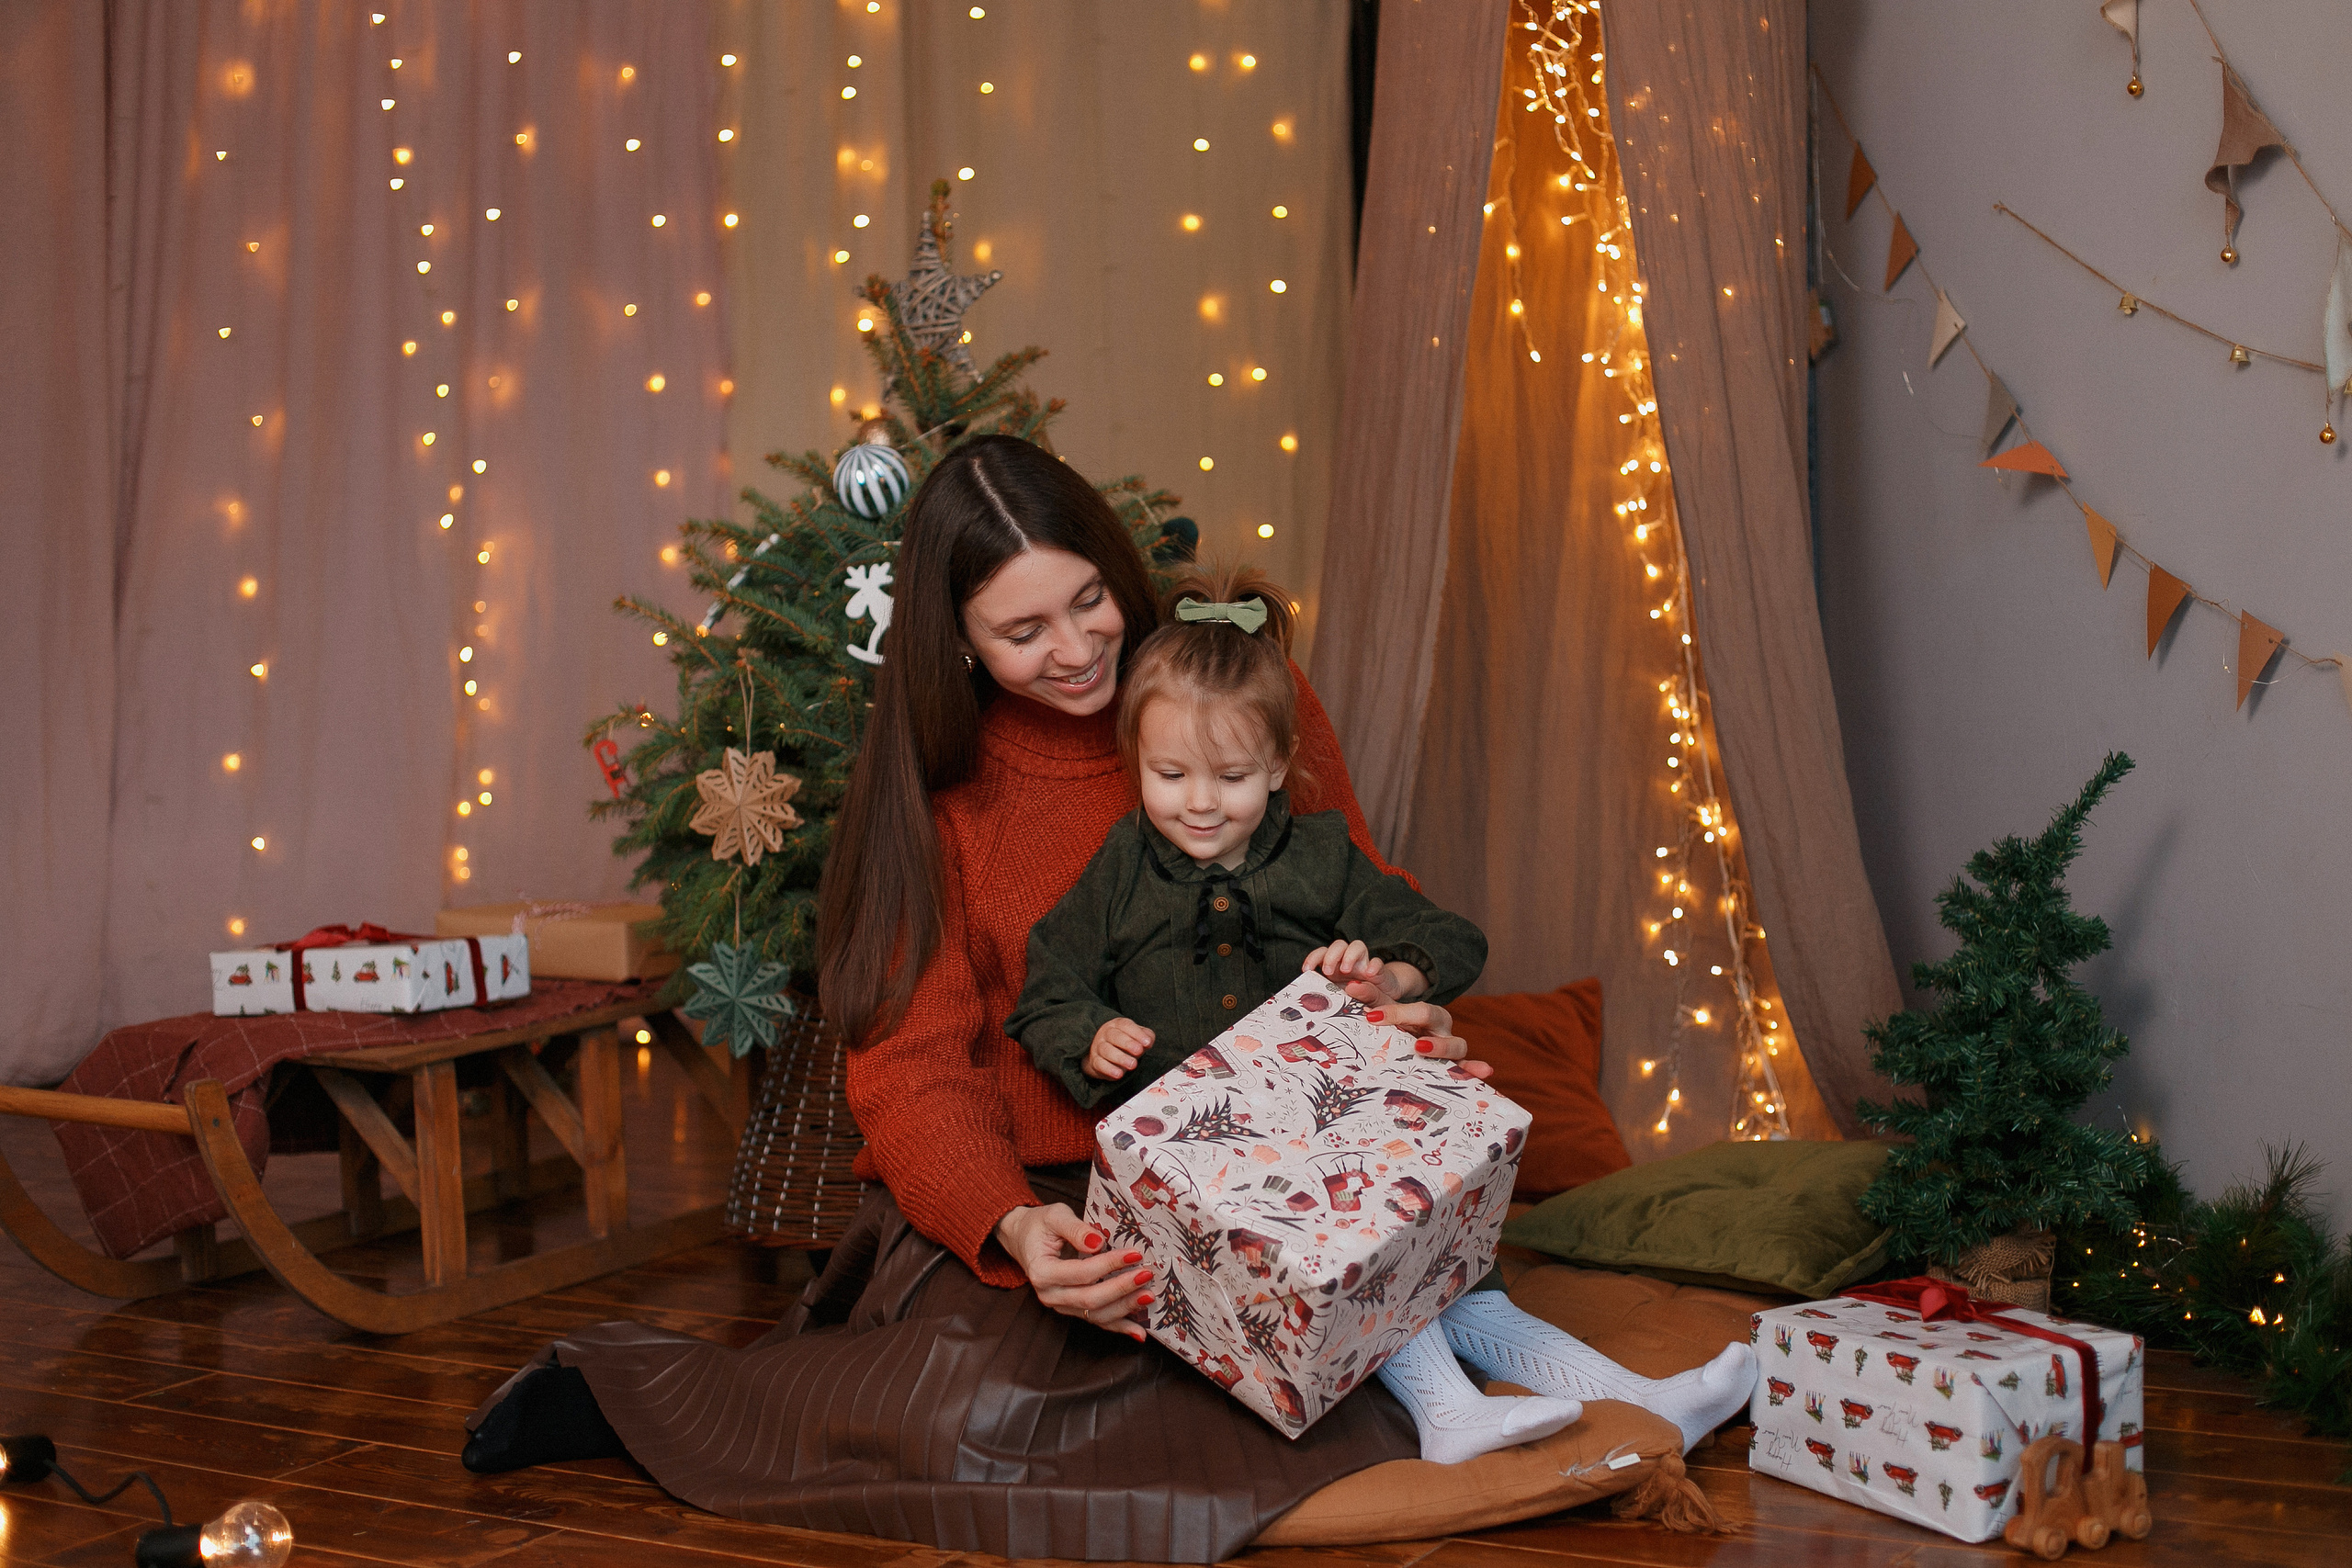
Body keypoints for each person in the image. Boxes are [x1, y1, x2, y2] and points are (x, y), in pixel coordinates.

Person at [462, 435, 1753, 1562]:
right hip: (1051, 1189)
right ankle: (630, 1395)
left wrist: (1394, 1007)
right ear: (953, 639)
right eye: (1023, 631)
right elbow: (912, 1066)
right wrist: (1013, 1226)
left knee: (1301, 1356)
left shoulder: (1236, 686)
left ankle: (1516, 1389)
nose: (1078, 649)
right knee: (986, 1407)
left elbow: (1351, 896)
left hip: (1273, 1163)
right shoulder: (940, 796)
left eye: (1088, 601)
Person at [1005, 563, 1587, 1464]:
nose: (1201, 802)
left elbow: (1450, 936)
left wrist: (1389, 978)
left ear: (1277, 765)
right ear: (1135, 765)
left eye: (1232, 776)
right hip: (1194, 1158)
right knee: (1356, 1246)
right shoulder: (1123, 867)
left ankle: (1634, 1396)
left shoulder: (1320, 854)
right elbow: (1045, 983)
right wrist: (1088, 1032)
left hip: (1324, 1139)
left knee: (1435, 1252)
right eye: (1170, 774)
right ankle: (1451, 1412)